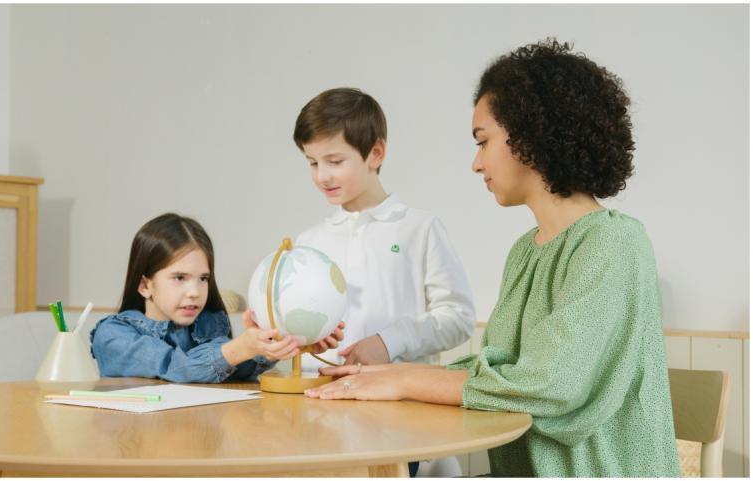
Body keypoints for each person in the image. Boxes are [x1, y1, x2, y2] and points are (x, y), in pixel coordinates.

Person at [305, 39, 681, 477]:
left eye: (483, 142)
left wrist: (404, 379)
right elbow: (501, 366)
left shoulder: (614, 243)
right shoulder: (526, 251)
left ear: (532, 137)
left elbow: (550, 385)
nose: (476, 163)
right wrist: (390, 373)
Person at [292, 87, 476, 374]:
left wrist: (389, 342)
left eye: (335, 161)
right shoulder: (309, 242)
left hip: (395, 401)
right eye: (312, 163)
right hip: (316, 398)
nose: (321, 176)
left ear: (375, 154)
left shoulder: (420, 228)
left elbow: (458, 318)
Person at [90, 212, 301, 383]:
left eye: (203, 278)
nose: (195, 292)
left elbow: (236, 373)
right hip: (139, 434)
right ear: (145, 285)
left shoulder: (209, 321)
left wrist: (268, 348)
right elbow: (173, 366)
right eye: (180, 278)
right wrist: (241, 347)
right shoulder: (113, 335)